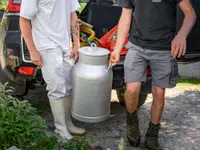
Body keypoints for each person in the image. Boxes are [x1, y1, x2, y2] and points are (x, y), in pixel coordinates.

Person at [110, 0, 196, 149]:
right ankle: (131, 121)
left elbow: (190, 13)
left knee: (159, 93)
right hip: (137, 46)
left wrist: (181, 35)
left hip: (163, 48)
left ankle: (152, 134)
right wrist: (117, 49)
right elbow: (125, 16)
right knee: (131, 89)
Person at [19, 0, 85, 140]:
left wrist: (76, 43)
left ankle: (68, 124)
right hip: (46, 45)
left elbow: (73, 14)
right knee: (56, 88)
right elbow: (24, 20)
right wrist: (32, 50)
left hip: (65, 44)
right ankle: (60, 129)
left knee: (68, 86)